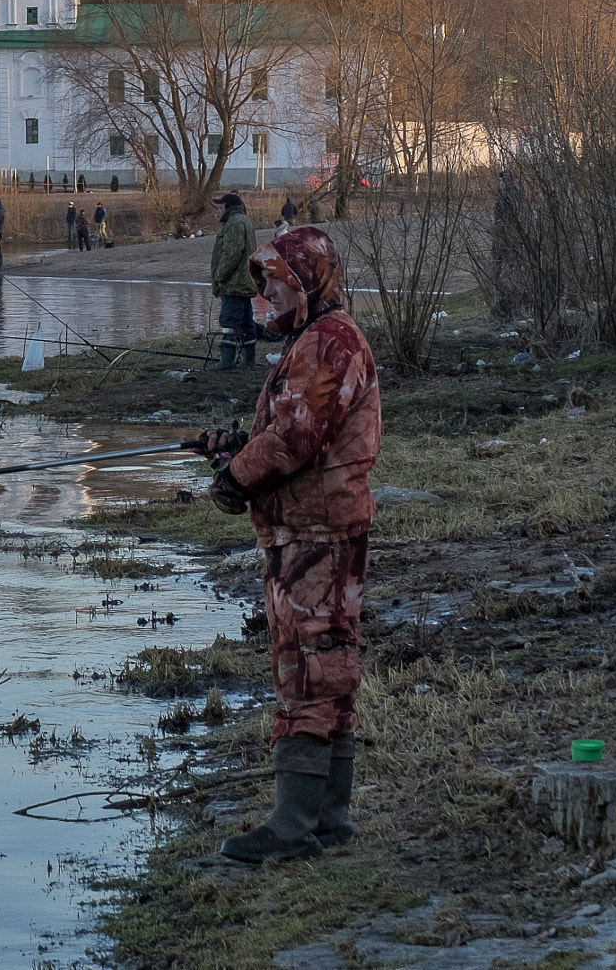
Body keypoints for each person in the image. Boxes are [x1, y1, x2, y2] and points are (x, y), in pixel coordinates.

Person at [192, 227, 378, 863]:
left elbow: (297, 440)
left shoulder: (330, 341)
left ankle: (295, 827)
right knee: (325, 671)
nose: (263, 294)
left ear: (305, 282)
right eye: (261, 283)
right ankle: (328, 819)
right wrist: (236, 447)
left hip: (318, 536)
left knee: (309, 672)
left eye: (272, 282)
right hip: (305, 533)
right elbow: (284, 430)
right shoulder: (313, 340)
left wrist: (235, 478)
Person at [210, 192, 257, 370]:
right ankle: (248, 362)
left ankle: (227, 362)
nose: (217, 212)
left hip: (234, 284)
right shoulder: (244, 221)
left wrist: (219, 276)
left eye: (219, 208)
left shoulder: (234, 224)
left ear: (228, 208)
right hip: (245, 283)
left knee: (230, 322)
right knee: (246, 323)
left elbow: (232, 254)